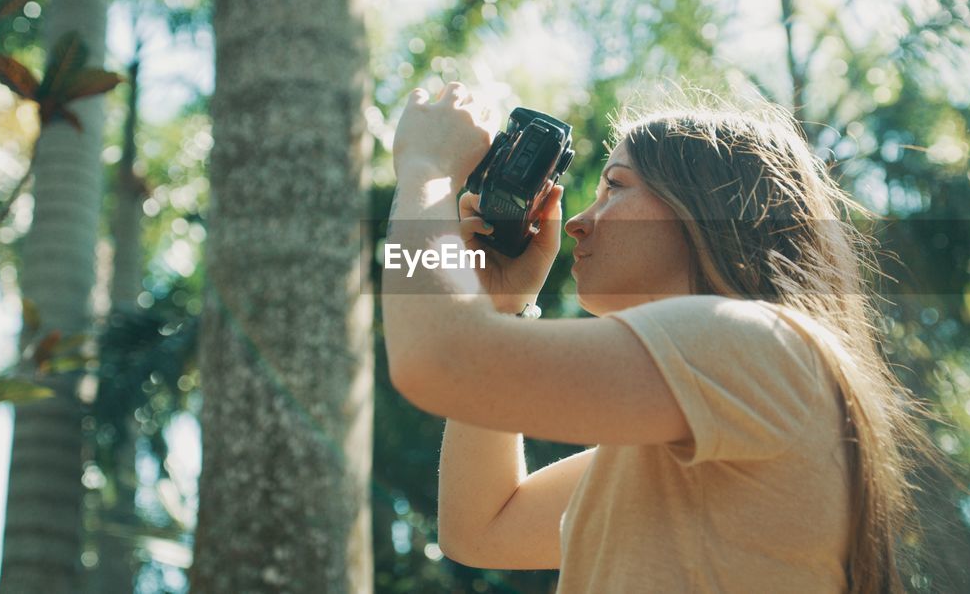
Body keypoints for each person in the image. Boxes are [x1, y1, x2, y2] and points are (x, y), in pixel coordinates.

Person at [381, 82, 929, 593]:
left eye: (614, 186)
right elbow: (482, 526)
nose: (576, 223)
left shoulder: (751, 344)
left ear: (708, 208)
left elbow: (436, 360)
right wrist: (504, 305)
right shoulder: (702, 415)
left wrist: (426, 171)